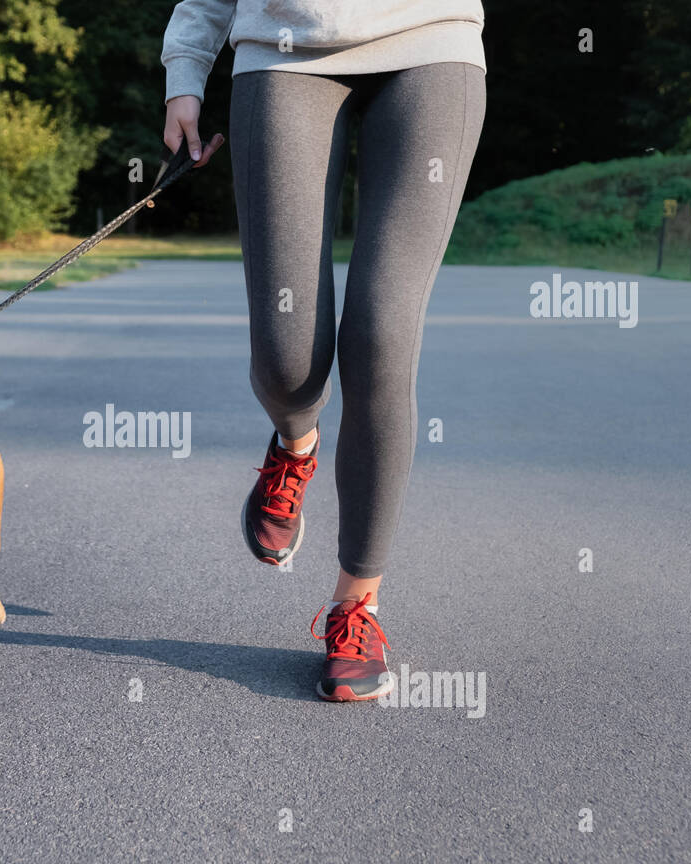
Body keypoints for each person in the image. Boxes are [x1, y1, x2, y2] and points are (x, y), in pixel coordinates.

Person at [161, 1, 487, 701]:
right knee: (289, 359)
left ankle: (354, 607)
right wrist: (187, 67)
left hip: (434, 45)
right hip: (284, 51)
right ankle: (295, 445)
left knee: (382, 336)